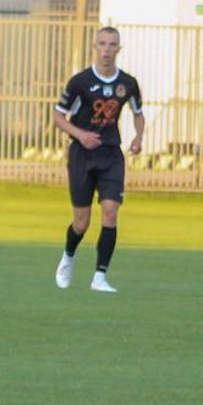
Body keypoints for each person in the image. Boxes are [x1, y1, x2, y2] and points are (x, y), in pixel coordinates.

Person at [52, 26, 144, 294]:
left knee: (111, 212)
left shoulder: (128, 83)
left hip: (110, 155)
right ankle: (68, 256)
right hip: (82, 156)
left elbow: (138, 113)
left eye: (112, 44)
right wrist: (80, 135)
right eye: (102, 44)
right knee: (82, 222)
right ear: (95, 47)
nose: (106, 49)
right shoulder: (79, 82)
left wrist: (138, 136)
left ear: (118, 49)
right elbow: (58, 117)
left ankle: (100, 277)